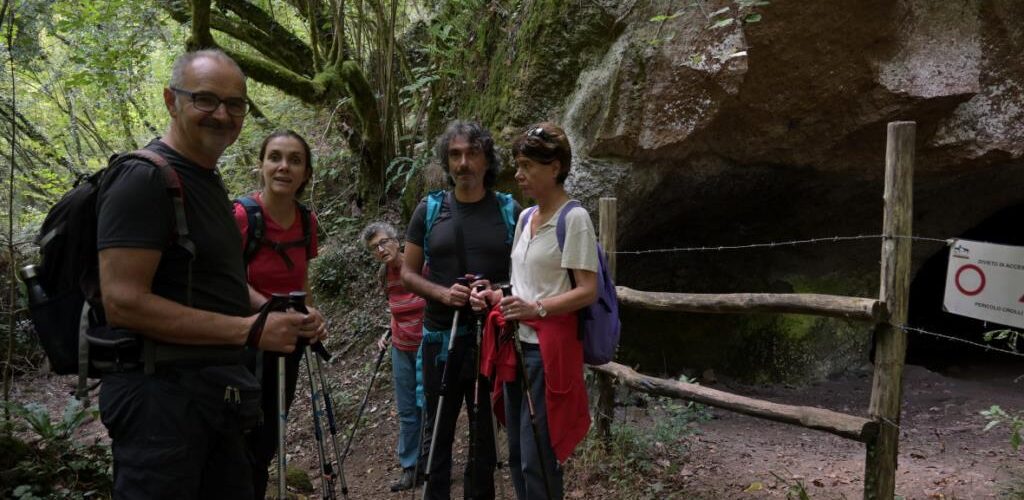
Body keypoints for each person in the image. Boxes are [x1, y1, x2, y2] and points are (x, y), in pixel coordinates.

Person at [95, 49, 321, 499]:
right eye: (205, 99)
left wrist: (279, 312)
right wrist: (250, 330)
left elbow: (224, 284)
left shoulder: (207, 182)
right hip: (157, 404)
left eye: (235, 104)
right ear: (170, 100)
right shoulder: (143, 180)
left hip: (214, 396)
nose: (222, 114)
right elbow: (122, 301)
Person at [472, 123, 596, 500]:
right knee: (516, 455)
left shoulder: (574, 219)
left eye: (527, 165)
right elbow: (521, 284)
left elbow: (588, 291)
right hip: (514, 345)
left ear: (555, 167)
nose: (519, 174)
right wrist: (494, 296)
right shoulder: (526, 218)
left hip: (545, 353)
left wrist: (536, 308)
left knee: (537, 458)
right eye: (517, 164)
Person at [401, 120, 521, 499]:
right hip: (441, 337)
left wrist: (497, 291)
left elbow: (526, 275)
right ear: (446, 162)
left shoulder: (509, 210)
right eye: (455, 154)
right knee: (438, 433)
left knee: (485, 437)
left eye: (472, 153)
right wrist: (442, 293)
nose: (464, 162)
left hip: (491, 340)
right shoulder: (430, 209)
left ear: (487, 160)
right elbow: (406, 273)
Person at [234, 130, 327, 499]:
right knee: (239, 435)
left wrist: (308, 312)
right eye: (275, 157)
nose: (283, 167)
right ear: (261, 165)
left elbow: (301, 281)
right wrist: (271, 308)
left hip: (287, 343)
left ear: (306, 173)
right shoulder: (243, 216)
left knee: (269, 435)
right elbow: (227, 281)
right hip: (243, 341)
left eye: (294, 160)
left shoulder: (307, 222)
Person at [362, 221, 428, 491]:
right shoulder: (383, 275)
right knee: (407, 409)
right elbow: (394, 308)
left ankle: (432, 464)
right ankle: (410, 468)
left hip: (427, 345)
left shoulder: (420, 265)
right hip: (401, 347)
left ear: (396, 240)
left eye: (383, 242)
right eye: (374, 248)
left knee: (429, 407)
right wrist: (388, 333)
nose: (380, 249)